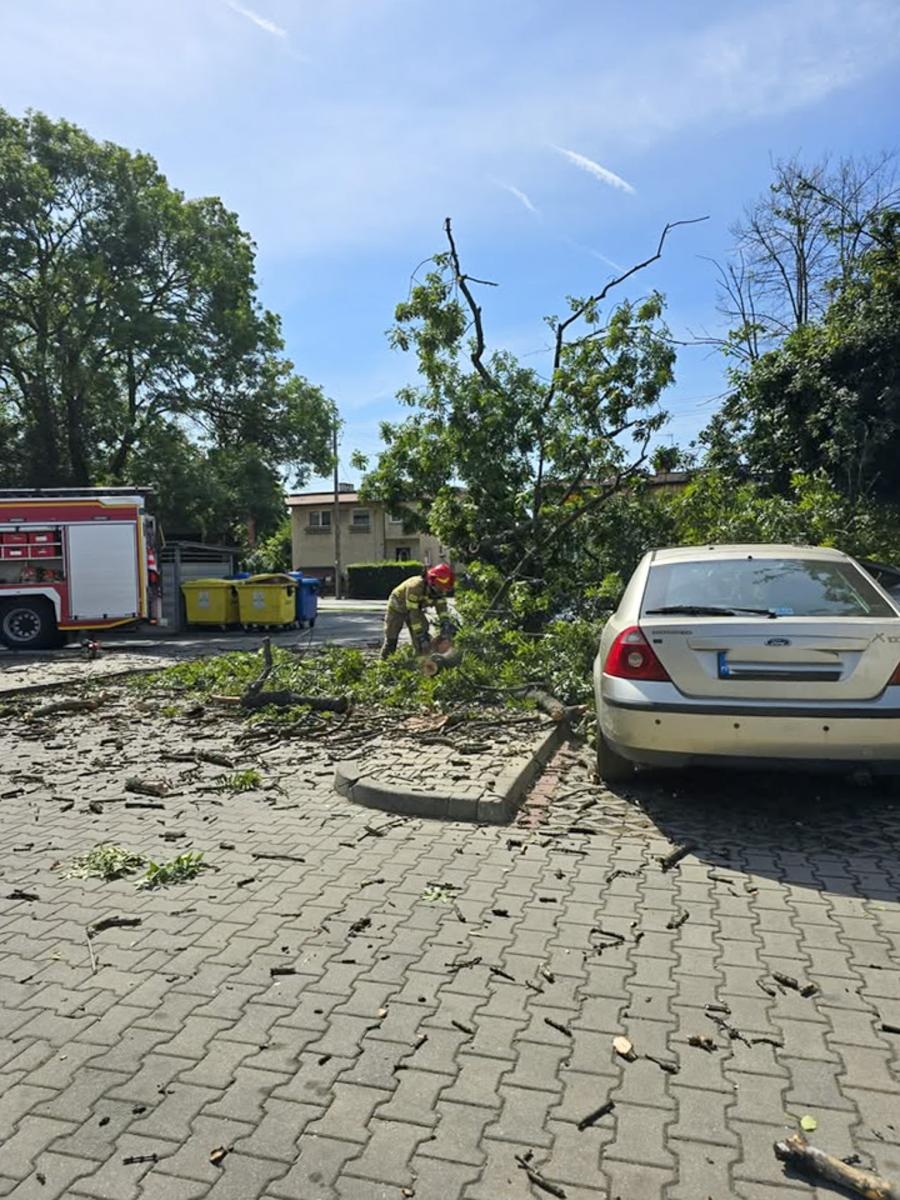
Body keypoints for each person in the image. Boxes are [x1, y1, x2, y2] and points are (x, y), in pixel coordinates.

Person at [380, 563, 456, 659]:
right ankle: (384, 663)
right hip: (398, 607)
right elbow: (413, 615)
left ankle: (421, 663)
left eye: (444, 590)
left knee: (423, 639)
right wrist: (421, 635)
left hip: (415, 608)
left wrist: (445, 624)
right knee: (391, 639)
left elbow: (442, 610)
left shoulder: (439, 592)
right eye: (439, 588)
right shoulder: (415, 587)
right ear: (431, 582)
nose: (441, 592)